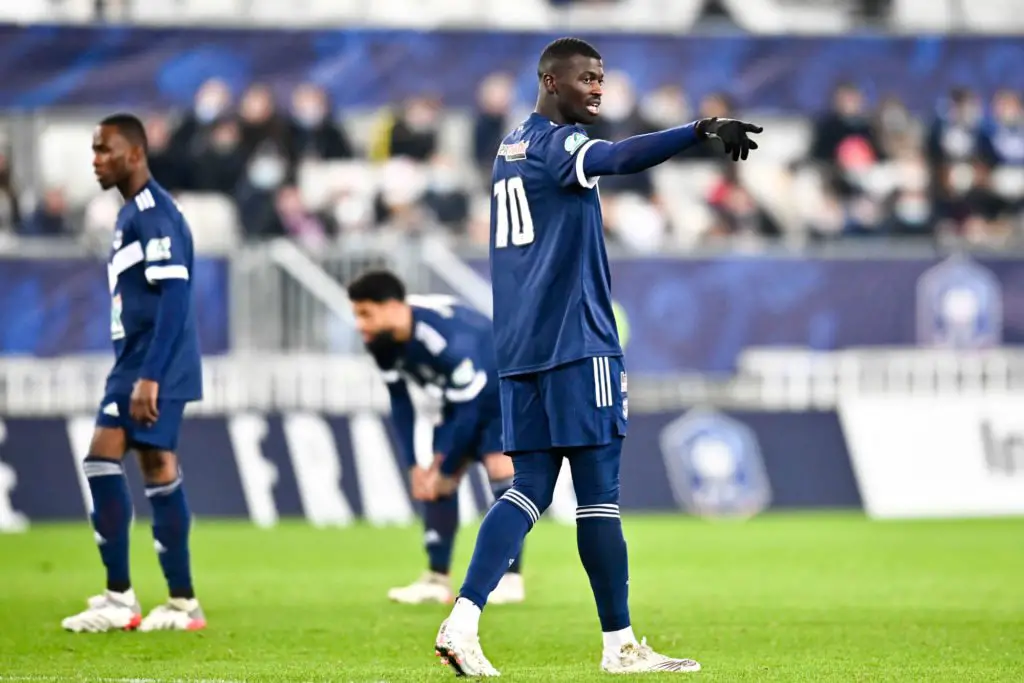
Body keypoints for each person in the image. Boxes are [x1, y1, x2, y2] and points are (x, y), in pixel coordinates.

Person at [433, 38, 762, 676]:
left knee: (528, 489)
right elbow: (618, 156)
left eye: (601, 79)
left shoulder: (510, 147)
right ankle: (620, 646)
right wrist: (697, 130)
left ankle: (463, 620)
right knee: (598, 500)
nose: (597, 90)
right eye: (586, 78)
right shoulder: (560, 145)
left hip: (522, 349)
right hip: (577, 344)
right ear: (550, 82)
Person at [62, 113, 206, 633]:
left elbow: (175, 296)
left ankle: (120, 597)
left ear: (136, 154)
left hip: (151, 362)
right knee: (156, 466)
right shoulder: (129, 215)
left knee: (102, 457)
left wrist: (151, 375)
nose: (96, 160)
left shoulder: (153, 213)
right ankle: (182, 603)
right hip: (141, 360)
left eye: (106, 150)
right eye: (94, 150)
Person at [347, 270, 525, 606]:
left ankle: (510, 579)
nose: (359, 324)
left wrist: (445, 467)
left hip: (502, 392)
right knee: (435, 480)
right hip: (458, 401)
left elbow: (471, 411)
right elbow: (400, 401)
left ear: (393, 307)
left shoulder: (447, 341)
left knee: (499, 468)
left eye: (365, 313)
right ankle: (436, 579)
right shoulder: (381, 341)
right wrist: (414, 465)